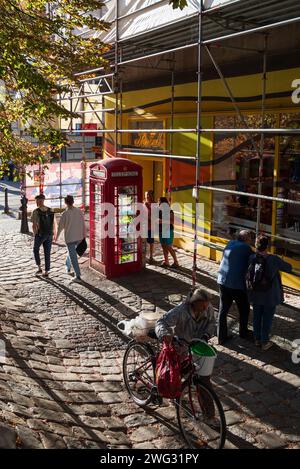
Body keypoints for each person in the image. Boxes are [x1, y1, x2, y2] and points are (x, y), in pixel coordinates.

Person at [155, 288, 217, 425]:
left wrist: (207, 335)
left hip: (197, 348)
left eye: (207, 305)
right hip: (180, 348)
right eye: (203, 305)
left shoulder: (207, 307)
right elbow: (161, 322)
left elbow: (212, 322)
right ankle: (169, 392)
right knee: (173, 376)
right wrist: (165, 334)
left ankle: (210, 416)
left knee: (204, 381)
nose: (206, 308)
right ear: (195, 303)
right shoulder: (181, 310)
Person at [248, 234, 292, 351]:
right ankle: (264, 341)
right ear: (267, 247)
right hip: (270, 295)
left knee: (257, 316)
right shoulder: (274, 259)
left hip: (255, 293)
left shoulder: (252, 258)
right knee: (267, 319)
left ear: (256, 245)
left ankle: (257, 339)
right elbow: (289, 267)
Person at [217, 229, 253, 345]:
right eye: (250, 239)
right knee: (244, 309)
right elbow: (253, 261)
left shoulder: (230, 243)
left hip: (222, 280)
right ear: (247, 239)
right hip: (236, 284)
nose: (251, 241)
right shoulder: (246, 248)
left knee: (223, 310)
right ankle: (243, 332)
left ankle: (221, 337)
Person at [56, 195, 86, 283]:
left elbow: (60, 227)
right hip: (79, 237)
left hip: (70, 238)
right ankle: (68, 267)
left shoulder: (65, 214)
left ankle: (78, 276)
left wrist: (56, 237)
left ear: (65, 203)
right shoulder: (79, 211)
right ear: (73, 201)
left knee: (73, 256)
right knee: (72, 253)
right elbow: (83, 223)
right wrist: (83, 235)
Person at [32, 194, 55, 277]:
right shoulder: (51, 210)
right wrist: (54, 234)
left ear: (39, 201)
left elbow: (34, 225)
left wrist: (35, 234)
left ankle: (39, 268)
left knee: (35, 249)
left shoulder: (36, 211)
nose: (36, 202)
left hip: (40, 234)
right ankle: (47, 271)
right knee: (47, 252)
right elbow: (53, 223)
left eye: (37, 201)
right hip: (49, 234)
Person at [158, 196, 179, 268]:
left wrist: (161, 221)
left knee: (168, 246)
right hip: (161, 230)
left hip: (168, 230)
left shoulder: (170, 211)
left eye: (160, 202)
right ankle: (166, 262)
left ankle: (176, 262)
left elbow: (172, 221)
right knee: (163, 246)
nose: (159, 204)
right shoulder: (159, 211)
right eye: (159, 203)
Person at [144, 190, 155, 263]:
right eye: (146, 195)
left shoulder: (154, 204)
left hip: (151, 227)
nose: (147, 196)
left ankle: (151, 257)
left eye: (149, 194)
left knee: (151, 242)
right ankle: (143, 256)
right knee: (143, 242)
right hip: (143, 226)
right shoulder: (143, 203)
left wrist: (148, 208)